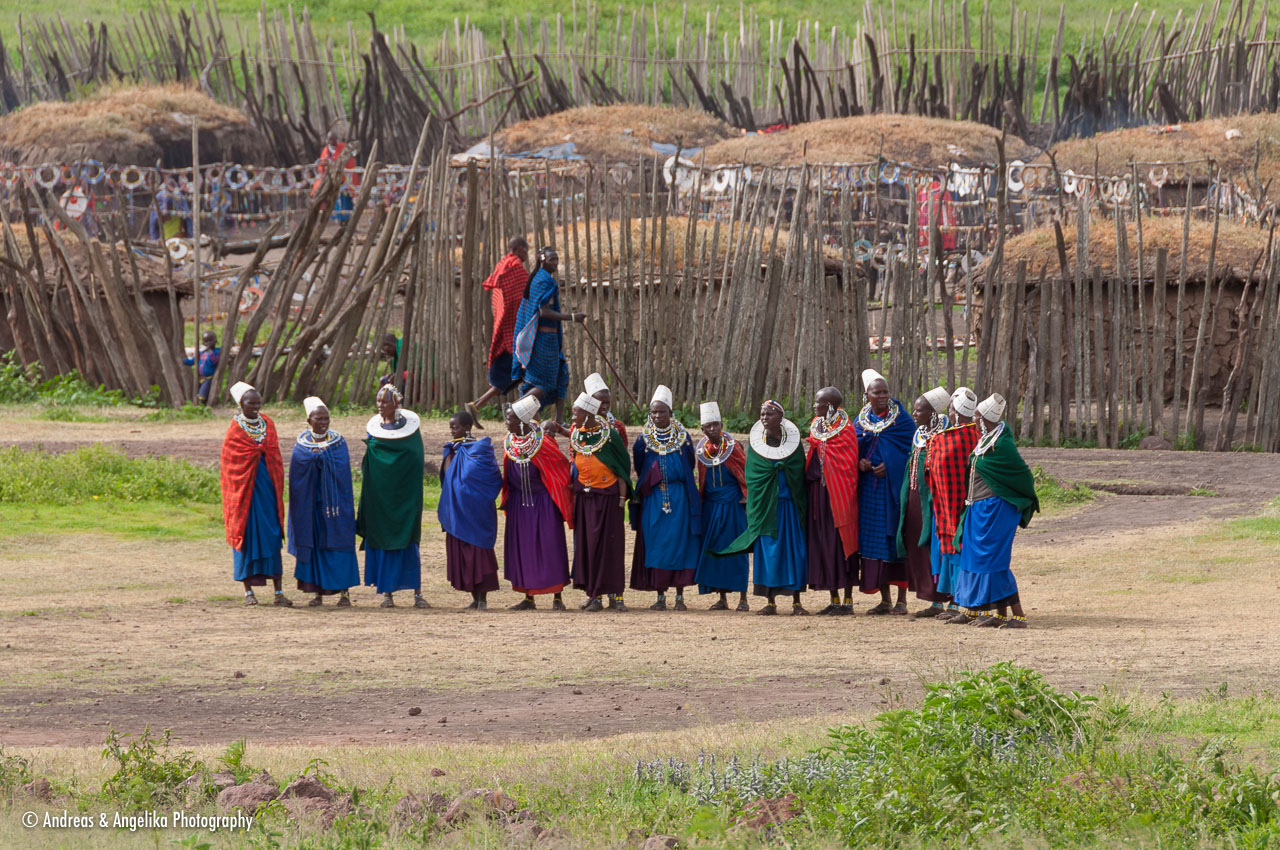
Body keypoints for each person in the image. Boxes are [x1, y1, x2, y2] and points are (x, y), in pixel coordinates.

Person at [951, 394, 1038, 629]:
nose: (974, 420)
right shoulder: (987, 439)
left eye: (976, 416)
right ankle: (989, 613)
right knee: (974, 559)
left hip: (996, 510)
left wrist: (1014, 499)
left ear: (984, 420)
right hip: (978, 509)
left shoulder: (1002, 445)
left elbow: (1022, 475)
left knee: (993, 562)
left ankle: (1018, 616)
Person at [719, 400, 808, 616]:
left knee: (794, 552)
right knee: (769, 553)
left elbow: (799, 471)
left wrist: (784, 468)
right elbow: (753, 475)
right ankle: (770, 602)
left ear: (780, 417)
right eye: (762, 414)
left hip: (789, 507)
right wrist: (772, 472)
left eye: (769, 414)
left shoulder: (793, 444)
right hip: (767, 509)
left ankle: (796, 602)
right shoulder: (757, 445)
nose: (765, 418)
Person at [629, 385, 701, 611]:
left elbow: (689, 464)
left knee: (680, 543)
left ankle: (679, 596)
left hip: (679, 498)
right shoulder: (643, 441)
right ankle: (660, 596)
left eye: (662, 411)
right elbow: (640, 467)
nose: (658, 416)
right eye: (654, 412)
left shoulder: (684, 439)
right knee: (655, 544)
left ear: (671, 413)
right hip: (653, 499)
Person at [220, 381, 291, 607]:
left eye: (258, 403)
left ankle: (279, 591)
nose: (256, 407)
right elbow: (230, 466)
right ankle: (248, 591)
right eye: (251, 404)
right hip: (245, 495)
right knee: (247, 535)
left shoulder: (268, 424)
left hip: (267, 488)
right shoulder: (235, 430)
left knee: (272, 534)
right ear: (241, 404)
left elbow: (275, 456)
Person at [358, 383, 427, 608]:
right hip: (379, 496)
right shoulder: (374, 430)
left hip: (406, 495)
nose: (380, 405)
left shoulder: (411, 431)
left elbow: (416, 458)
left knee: (409, 538)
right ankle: (387, 593)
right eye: (378, 401)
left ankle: (417, 594)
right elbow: (371, 459)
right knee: (382, 537)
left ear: (396, 404)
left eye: (385, 401)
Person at [501, 394, 573, 611]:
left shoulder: (543, 443)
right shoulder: (510, 442)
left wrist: (557, 496)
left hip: (544, 503)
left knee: (551, 546)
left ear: (522, 422)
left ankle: (557, 597)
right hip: (519, 504)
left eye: (510, 419)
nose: (506, 422)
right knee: (523, 548)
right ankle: (528, 597)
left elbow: (560, 468)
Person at [854, 370, 916, 614]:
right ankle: (884, 600)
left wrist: (890, 466)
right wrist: (860, 462)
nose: (882, 396)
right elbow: (855, 446)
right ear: (867, 395)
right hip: (869, 489)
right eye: (876, 392)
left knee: (894, 539)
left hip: (892, 491)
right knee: (875, 542)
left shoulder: (902, 420)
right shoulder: (861, 419)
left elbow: (912, 451)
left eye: (885, 392)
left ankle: (901, 601)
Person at [288, 397, 359, 607]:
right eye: (318, 418)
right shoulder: (301, 445)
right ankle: (317, 592)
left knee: (339, 545)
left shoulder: (338, 442)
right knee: (315, 545)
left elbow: (342, 468)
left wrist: (321, 458)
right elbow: (297, 472)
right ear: (309, 420)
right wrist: (313, 459)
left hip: (335, 505)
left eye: (326, 418)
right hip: (310, 506)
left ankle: (344, 593)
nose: (323, 422)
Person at [566, 392, 631, 611]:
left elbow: (622, 464)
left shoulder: (610, 435)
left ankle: (617, 596)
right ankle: (595, 595)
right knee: (589, 546)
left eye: (576, 414)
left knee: (611, 546)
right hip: (585, 499)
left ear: (588, 414)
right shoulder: (577, 435)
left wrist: (621, 498)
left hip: (609, 499)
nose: (572, 418)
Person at [511, 247, 585, 427]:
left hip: (549, 340)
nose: (556, 263)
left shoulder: (541, 278)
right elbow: (543, 311)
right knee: (543, 384)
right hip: (543, 341)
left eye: (557, 259)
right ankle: (514, 409)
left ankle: (559, 420)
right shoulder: (544, 281)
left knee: (562, 376)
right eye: (552, 259)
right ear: (542, 260)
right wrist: (572, 317)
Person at [439, 410, 503, 610]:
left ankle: (483, 599)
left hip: (477, 512)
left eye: (455, 427)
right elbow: (448, 478)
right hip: (457, 510)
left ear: (467, 427)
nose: (452, 430)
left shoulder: (480, 449)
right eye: (450, 427)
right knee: (462, 553)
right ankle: (475, 598)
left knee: (479, 552)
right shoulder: (452, 450)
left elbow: (491, 478)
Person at [896, 387, 952, 618]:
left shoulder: (946, 434)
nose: (914, 414)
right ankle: (934, 600)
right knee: (918, 545)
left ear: (933, 413)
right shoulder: (919, 433)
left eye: (919, 410)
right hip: (914, 497)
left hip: (936, 500)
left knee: (936, 546)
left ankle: (950, 600)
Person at [805, 386, 860, 615]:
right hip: (819, 495)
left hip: (841, 496)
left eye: (818, 402)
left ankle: (847, 600)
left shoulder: (846, 430)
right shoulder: (816, 426)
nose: (814, 406)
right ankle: (833, 598)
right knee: (823, 543)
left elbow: (848, 464)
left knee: (840, 543)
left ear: (828, 406)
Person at [927, 387, 981, 622]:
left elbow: (933, 468)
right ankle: (957, 601)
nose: (948, 414)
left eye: (950, 409)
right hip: (970, 504)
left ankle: (960, 602)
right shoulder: (979, 436)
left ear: (957, 413)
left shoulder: (945, 439)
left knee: (956, 549)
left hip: (950, 504)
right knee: (962, 549)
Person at [466, 236, 530, 429]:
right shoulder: (516, 268)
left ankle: (478, 405)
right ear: (518, 249)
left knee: (516, 375)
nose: (527, 254)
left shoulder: (502, 265)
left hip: (505, 325)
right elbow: (524, 296)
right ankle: (517, 414)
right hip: (514, 330)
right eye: (525, 250)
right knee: (523, 373)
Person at [692, 401, 750, 611]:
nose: (713, 429)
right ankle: (722, 598)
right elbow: (702, 480)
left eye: (716, 424)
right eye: (708, 426)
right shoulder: (703, 452)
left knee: (737, 549)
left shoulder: (733, 448)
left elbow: (745, 473)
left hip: (733, 505)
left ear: (721, 425)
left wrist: (746, 498)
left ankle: (743, 598)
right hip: (711, 506)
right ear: (703, 429)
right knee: (714, 550)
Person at [585, 372, 628, 442]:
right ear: (591, 403)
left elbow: (623, 448)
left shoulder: (618, 426)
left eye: (607, 403)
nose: (605, 407)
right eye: (601, 403)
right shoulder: (580, 425)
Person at [183, 330, 220, 405]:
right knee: (197, 391)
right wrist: (185, 361)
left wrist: (210, 352)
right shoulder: (202, 353)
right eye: (206, 341)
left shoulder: (217, 351)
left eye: (210, 341)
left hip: (208, 378)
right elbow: (194, 361)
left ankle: (203, 405)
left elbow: (213, 361)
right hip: (200, 377)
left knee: (203, 394)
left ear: (215, 341)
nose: (208, 343)